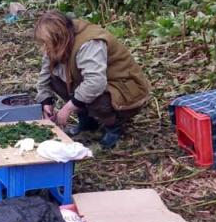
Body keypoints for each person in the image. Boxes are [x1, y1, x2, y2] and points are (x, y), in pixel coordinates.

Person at [34, 10, 151, 148]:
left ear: (59, 37)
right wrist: (45, 101)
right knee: (55, 80)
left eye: (46, 43)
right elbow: (45, 75)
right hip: (102, 84)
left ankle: (113, 126)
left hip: (126, 90)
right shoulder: (59, 42)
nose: (44, 48)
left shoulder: (90, 43)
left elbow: (96, 83)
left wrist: (67, 109)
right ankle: (87, 122)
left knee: (95, 94)